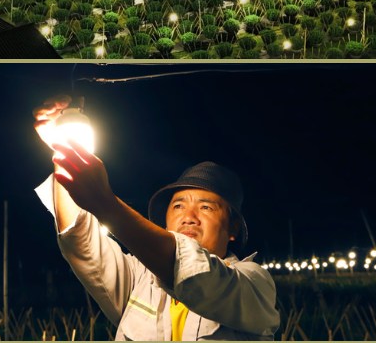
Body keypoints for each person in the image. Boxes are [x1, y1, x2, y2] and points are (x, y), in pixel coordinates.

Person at [32, 97, 279, 341]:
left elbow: (197, 275)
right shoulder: (138, 278)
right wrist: (65, 151)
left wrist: (107, 205)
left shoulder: (254, 284)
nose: (189, 217)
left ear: (233, 228)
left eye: (206, 208)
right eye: (178, 206)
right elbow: (79, 238)